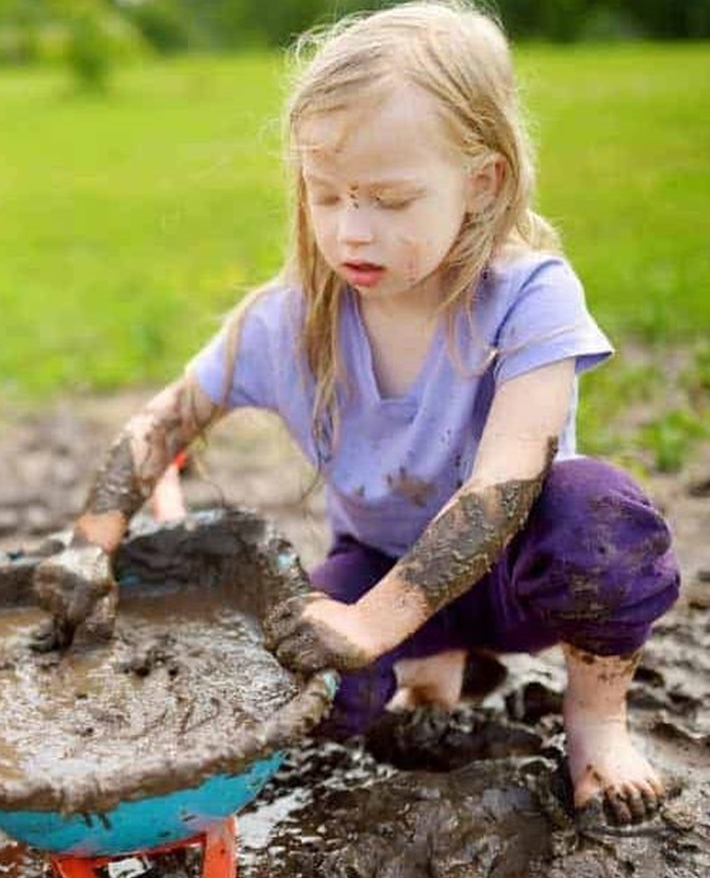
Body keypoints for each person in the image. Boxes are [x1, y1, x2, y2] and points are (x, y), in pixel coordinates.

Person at [34, 0, 680, 828]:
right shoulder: (288, 320)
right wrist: (91, 548)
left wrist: (370, 624)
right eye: (327, 195)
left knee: (599, 520)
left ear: (480, 182)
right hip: (380, 561)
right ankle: (431, 669)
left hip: (524, 574)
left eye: (389, 199)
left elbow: (503, 489)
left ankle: (597, 725)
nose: (352, 230)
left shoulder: (530, 297)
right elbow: (161, 424)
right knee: (310, 693)